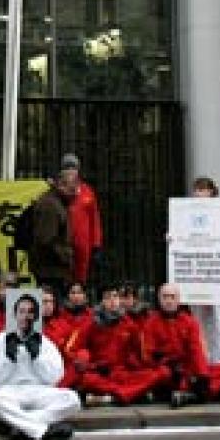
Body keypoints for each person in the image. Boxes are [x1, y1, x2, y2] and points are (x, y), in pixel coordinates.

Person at [0, 291, 78, 440]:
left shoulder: (44, 342)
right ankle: (42, 429)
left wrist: (37, 358)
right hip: (10, 390)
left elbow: (55, 378)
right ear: (14, 314)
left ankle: (23, 426)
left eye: (31, 312)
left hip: (40, 390)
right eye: (22, 311)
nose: (26, 316)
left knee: (72, 399)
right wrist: (8, 360)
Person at [143, 283, 220, 405]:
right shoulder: (151, 322)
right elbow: (148, 354)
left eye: (172, 297)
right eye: (165, 297)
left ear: (178, 300)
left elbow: (197, 350)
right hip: (167, 370)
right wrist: (167, 364)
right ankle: (209, 394)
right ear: (159, 299)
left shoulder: (189, 321)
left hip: (188, 370)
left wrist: (202, 375)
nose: (168, 301)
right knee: (160, 374)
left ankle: (189, 396)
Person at [79, 285, 165, 406]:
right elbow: (78, 349)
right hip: (100, 374)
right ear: (102, 302)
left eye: (115, 296)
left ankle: (111, 397)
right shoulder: (91, 323)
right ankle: (130, 394)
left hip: (123, 374)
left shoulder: (129, 325)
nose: (112, 301)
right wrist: (89, 362)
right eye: (108, 298)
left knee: (159, 374)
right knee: (86, 379)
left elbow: (138, 354)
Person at [190, 175, 220, 363]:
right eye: (197, 190)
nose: (200, 193)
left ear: (212, 192)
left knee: (218, 320)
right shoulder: (186, 213)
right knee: (197, 321)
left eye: (204, 190)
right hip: (196, 274)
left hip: (215, 274)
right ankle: (201, 358)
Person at [24, 167, 77, 301]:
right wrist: (65, 256)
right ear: (61, 185)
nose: (76, 192)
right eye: (72, 188)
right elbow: (45, 239)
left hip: (51, 268)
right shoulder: (50, 205)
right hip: (50, 270)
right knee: (51, 306)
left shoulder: (55, 202)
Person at [60, 155, 105, 287]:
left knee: (81, 279)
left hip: (84, 244)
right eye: (67, 167)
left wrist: (96, 243)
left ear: (78, 170)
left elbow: (95, 219)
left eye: (73, 167)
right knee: (65, 276)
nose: (70, 171)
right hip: (63, 243)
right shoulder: (57, 190)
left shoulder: (87, 191)